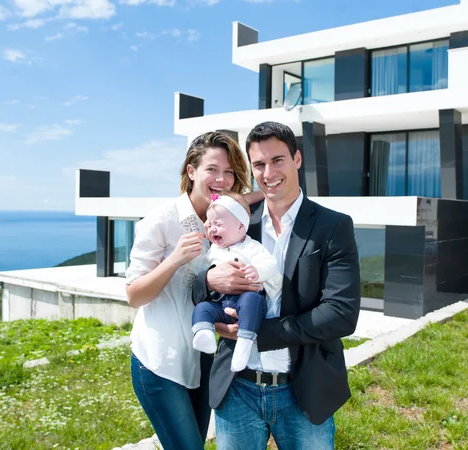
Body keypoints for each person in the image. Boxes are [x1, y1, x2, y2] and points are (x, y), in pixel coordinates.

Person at [192, 121, 361, 450]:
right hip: (236, 389)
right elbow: (199, 280)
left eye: (277, 160)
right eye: (259, 164)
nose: (268, 173)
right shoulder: (239, 220)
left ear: (297, 159)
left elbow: (341, 314)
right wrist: (209, 279)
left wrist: (259, 332)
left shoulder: (333, 226)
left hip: (303, 390)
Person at [125, 131, 259, 450]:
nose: (222, 179)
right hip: (159, 360)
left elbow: (204, 293)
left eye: (230, 172)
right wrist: (174, 260)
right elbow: (133, 295)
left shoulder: (226, 223)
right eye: (212, 169)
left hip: (202, 358)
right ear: (191, 171)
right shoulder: (160, 221)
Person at [190, 192, 282, 373]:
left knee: (252, 300)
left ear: (241, 227)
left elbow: (270, 263)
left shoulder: (251, 247)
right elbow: (200, 274)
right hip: (220, 304)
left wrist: (257, 271)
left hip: (245, 302)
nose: (212, 229)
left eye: (218, 224)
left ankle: (244, 344)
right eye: (210, 224)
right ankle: (204, 335)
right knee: (202, 309)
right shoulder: (213, 250)